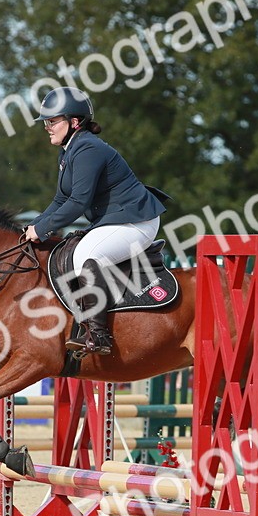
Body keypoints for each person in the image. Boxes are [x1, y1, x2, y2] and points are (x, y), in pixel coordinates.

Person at [23, 86, 167, 354]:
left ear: (75, 121)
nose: (47, 127)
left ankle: (99, 335)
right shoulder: (69, 150)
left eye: (52, 121)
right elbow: (60, 199)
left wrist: (43, 229)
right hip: (115, 221)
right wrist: (33, 227)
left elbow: (79, 202)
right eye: (46, 122)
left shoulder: (88, 148)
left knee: (86, 254)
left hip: (136, 221)